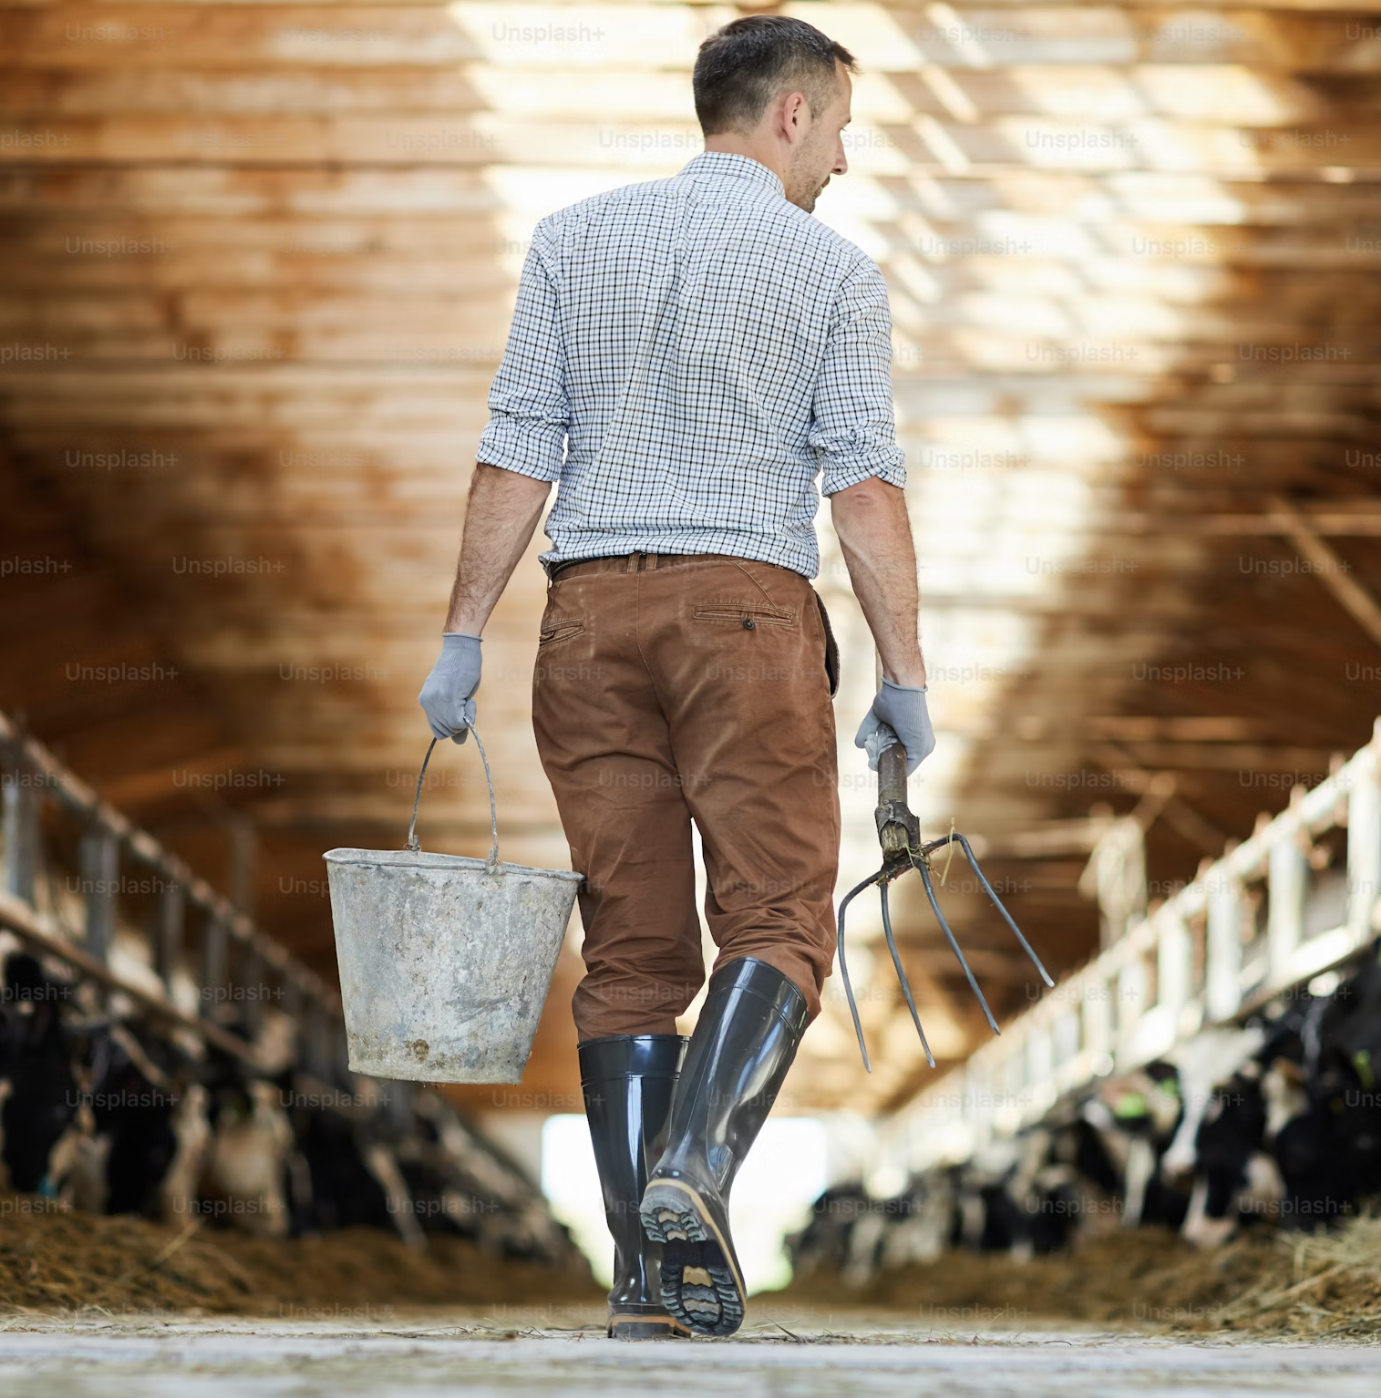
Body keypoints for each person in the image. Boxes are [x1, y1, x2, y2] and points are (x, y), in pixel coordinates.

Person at [418, 14, 931, 1340]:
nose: (841, 167)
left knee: (633, 951)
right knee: (777, 923)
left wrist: (465, 630)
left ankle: (642, 1285)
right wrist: (905, 673)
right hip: (744, 617)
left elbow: (515, 448)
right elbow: (864, 490)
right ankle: (693, 1174)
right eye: (840, 137)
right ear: (795, 114)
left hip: (585, 621)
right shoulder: (828, 270)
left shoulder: (572, 241)